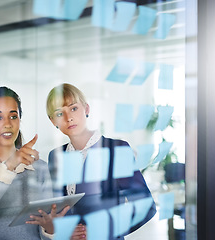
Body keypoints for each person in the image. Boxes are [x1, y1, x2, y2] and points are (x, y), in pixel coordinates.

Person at [46, 83, 156, 240]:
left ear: (87, 109)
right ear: (53, 121)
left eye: (73, 108)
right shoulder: (56, 156)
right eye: (59, 113)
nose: (68, 117)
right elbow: (59, 210)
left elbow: (145, 207)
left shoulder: (116, 149)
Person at [0, 86, 69, 240]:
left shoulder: (40, 168)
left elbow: (46, 231)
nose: (8, 124)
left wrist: (50, 229)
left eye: (13, 116)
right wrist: (10, 165)